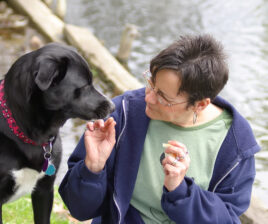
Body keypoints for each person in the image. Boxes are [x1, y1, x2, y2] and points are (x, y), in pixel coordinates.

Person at [59, 34, 260, 224]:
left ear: (200, 105)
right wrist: (93, 169)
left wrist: (180, 191)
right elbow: (79, 209)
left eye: (163, 97)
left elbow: (226, 218)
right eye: (151, 83)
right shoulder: (124, 114)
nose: (148, 97)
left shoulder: (236, 146)